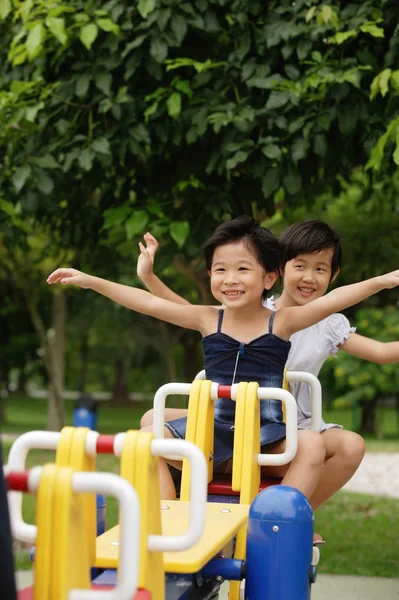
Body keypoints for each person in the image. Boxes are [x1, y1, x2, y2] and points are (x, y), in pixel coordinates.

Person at [47, 216, 399, 507]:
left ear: (268, 278)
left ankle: (278, 518)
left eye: (242, 269)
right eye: (220, 270)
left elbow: (334, 300)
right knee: (144, 438)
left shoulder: (283, 321)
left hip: (265, 435)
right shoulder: (207, 318)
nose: (230, 279)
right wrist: (90, 280)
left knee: (310, 443)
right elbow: (149, 304)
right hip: (211, 433)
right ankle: (171, 518)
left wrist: (384, 281)